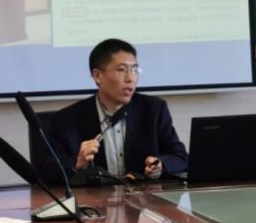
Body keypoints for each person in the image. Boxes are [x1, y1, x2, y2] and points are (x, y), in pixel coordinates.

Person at [47, 38, 188, 182]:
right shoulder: (67, 119)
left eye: (134, 70)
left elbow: (181, 157)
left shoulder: (154, 110)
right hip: (94, 196)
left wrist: (161, 165)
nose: (130, 78)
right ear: (97, 76)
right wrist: (78, 164)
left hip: (144, 195)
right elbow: (47, 170)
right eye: (121, 70)